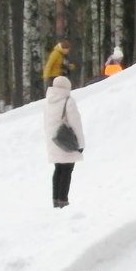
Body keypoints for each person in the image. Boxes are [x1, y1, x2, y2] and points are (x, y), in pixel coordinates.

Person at [44, 75, 85, 208]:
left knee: (58, 170)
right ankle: (63, 200)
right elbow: (75, 124)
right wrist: (81, 143)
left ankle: (55, 200)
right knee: (67, 170)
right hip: (66, 141)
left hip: (55, 140)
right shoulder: (68, 100)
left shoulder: (48, 100)